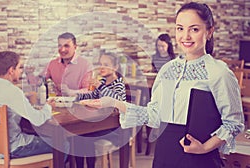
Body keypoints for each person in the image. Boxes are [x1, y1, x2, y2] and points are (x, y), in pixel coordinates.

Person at [82, 2, 245, 168]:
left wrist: (204, 148)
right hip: (164, 153)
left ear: (209, 31)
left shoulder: (219, 72)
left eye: (194, 29)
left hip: (199, 159)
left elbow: (233, 123)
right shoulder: (167, 69)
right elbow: (154, 115)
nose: (185, 36)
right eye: (180, 28)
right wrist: (113, 103)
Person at [0, 51, 63, 158]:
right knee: (63, 145)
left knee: (37, 136)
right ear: (11, 70)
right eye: (19, 68)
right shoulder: (12, 91)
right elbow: (38, 120)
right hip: (13, 148)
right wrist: (48, 107)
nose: (21, 71)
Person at [73, 50, 126, 168]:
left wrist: (100, 86)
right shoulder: (102, 80)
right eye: (100, 64)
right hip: (100, 122)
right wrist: (75, 96)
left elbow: (117, 100)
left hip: (114, 127)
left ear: (115, 67)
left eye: (106, 65)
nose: (102, 67)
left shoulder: (118, 83)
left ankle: (90, 166)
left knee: (85, 134)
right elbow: (93, 96)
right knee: (77, 134)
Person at [26, 32, 92, 96]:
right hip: (57, 104)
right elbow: (38, 82)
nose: (62, 50)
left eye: (66, 46)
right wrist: (29, 73)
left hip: (79, 105)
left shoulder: (85, 65)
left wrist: (70, 92)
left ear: (75, 47)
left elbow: (89, 90)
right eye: (60, 46)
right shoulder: (52, 64)